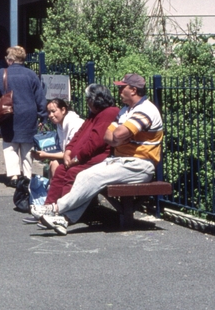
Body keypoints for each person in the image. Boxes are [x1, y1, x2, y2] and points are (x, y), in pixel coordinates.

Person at [37, 73, 163, 235]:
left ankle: (54, 209)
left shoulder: (146, 110)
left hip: (140, 164)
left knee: (92, 178)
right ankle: (63, 219)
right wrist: (119, 137)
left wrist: (118, 137)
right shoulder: (125, 111)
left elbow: (116, 136)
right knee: (84, 176)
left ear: (133, 90)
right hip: (120, 161)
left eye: (122, 87)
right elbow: (108, 136)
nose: (118, 90)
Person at [25, 84, 118, 226]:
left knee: (72, 172)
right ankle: (48, 208)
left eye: (88, 100)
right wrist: (69, 150)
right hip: (83, 157)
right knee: (61, 170)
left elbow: (96, 141)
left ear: (95, 100)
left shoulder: (108, 113)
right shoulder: (94, 114)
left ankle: (62, 212)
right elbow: (80, 134)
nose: (87, 103)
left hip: (97, 157)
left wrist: (77, 158)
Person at [0, 46, 47, 187]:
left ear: (10, 60)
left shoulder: (1, 74)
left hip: (9, 115)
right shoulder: (31, 75)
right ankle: (27, 175)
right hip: (29, 115)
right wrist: (42, 116)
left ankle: (13, 176)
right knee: (27, 146)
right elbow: (40, 98)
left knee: (10, 145)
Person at [33, 98, 84, 177]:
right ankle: (53, 188)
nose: (51, 115)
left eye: (53, 111)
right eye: (49, 112)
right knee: (53, 163)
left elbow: (70, 153)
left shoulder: (74, 124)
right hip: (69, 158)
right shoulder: (60, 124)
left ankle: (56, 188)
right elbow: (63, 150)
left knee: (55, 164)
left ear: (63, 110)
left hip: (79, 159)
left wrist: (46, 155)